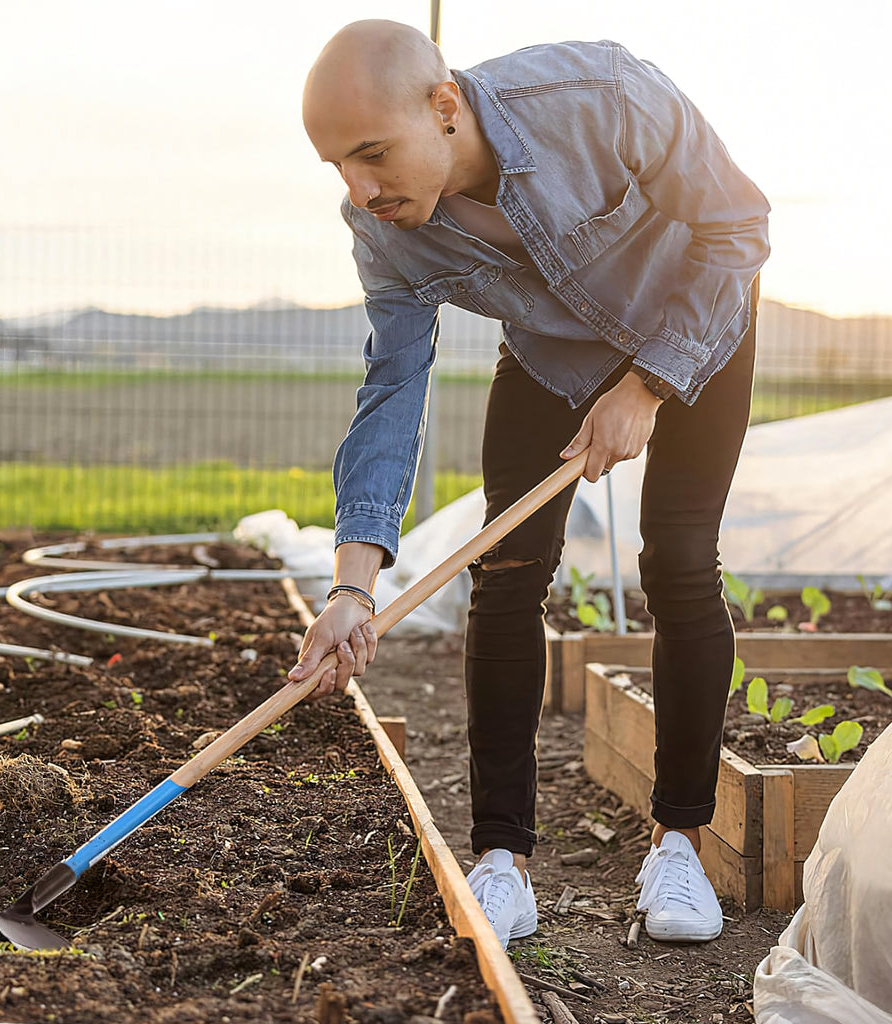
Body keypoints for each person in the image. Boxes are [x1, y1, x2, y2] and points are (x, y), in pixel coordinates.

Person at [291, 19, 769, 949]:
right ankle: (502, 861)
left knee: (677, 558)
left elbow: (739, 223)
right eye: (338, 165)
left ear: (444, 107)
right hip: (551, 360)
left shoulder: (599, 98)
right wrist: (353, 586)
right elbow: (391, 388)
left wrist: (649, 384)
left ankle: (680, 844)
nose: (360, 189)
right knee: (505, 578)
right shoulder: (381, 231)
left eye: (374, 155)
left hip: (699, 325)